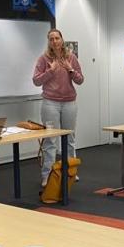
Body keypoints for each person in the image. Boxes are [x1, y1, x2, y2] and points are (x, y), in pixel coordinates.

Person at [33, 28, 84, 187]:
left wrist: (70, 69)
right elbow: (36, 81)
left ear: (62, 40)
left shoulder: (71, 57)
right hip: (50, 103)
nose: (54, 41)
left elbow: (80, 80)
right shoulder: (43, 59)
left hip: (69, 102)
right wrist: (50, 70)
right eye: (51, 39)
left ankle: (71, 171)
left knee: (70, 138)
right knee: (50, 140)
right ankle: (47, 175)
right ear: (49, 42)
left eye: (57, 38)